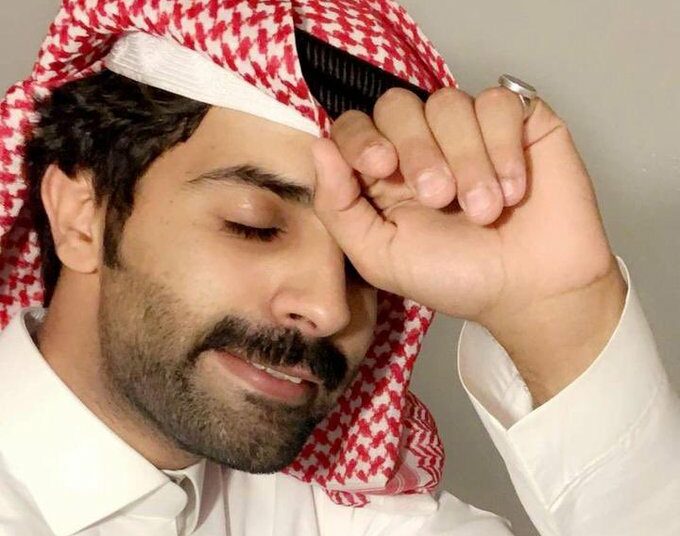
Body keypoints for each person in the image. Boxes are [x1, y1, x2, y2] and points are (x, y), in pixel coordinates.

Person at [0, 1, 677, 535]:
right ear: (80, 216)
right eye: (255, 226)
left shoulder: (335, 515)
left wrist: (562, 316)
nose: (329, 308)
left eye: (363, 265)